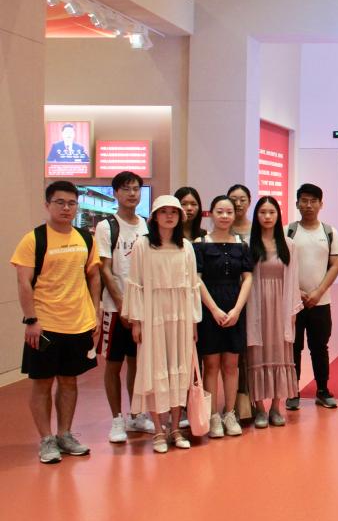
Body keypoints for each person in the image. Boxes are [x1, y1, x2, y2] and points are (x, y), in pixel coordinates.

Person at [11, 181, 100, 463]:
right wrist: (31, 319)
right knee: (42, 383)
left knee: (69, 381)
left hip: (78, 323)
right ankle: (46, 440)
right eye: (60, 202)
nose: (66, 208)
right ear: (47, 205)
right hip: (45, 325)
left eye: (71, 203)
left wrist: (95, 313)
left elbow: (93, 276)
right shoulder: (34, 239)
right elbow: (23, 282)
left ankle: (65, 434)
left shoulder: (85, 238)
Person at [123, 196, 203, 453]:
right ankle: (158, 430)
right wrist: (137, 322)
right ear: (155, 216)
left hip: (180, 317)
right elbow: (135, 283)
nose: (169, 216)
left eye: (174, 212)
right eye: (164, 211)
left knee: (179, 370)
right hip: (152, 315)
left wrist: (193, 322)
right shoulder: (142, 245)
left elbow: (193, 286)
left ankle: (175, 428)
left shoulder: (186, 247)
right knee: (154, 369)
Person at [96, 171, 154, 443]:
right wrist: (122, 304)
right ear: (115, 193)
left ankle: (136, 415)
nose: (132, 193)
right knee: (113, 364)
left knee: (137, 362)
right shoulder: (107, 226)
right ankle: (116, 419)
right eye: (126, 189)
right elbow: (105, 269)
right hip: (115, 307)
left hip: (143, 308)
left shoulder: (146, 225)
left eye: (136, 189)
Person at [195, 195, 254, 438]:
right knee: (210, 365)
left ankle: (229, 413)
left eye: (229, 212)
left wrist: (237, 309)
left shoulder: (242, 244)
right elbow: (196, 279)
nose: (225, 216)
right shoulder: (200, 244)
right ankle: (212, 417)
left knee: (231, 365)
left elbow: (248, 278)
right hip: (209, 309)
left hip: (234, 308)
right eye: (220, 211)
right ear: (211, 213)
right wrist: (214, 309)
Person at [286, 183, 338, 410]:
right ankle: (292, 392)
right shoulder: (288, 231)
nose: (308, 205)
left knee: (320, 347)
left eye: (313, 201)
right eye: (304, 200)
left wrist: (318, 292)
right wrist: (296, 292)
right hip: (294, 303)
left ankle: (322, 390)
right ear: (297, 203)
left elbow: (335, 264)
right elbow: (282, 266)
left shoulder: (329, 232)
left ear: (321, 204)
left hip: (321, 302)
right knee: (293, 348)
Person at [246, 196, 301, 428]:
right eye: (263, 212)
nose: (267, 217)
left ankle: (276, 407)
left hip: (281, 306)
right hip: (256, 306)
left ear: (278, 216)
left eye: (271, 212)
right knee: (257, 354)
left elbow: (294, 278)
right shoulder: (249, 244)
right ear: (256, 216)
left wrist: (293, 311)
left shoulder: (288, 245)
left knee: (280, 353)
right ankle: (260, 408)